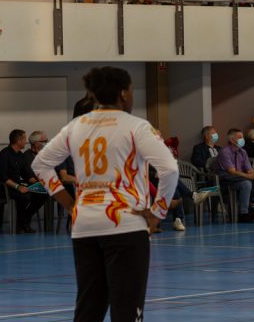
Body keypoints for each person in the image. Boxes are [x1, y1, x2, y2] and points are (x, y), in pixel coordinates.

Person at [31, 65, 178, 322]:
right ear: (123, 93)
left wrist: (68, 204)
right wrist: (157, 213)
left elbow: (40, 165)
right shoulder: (137, 126)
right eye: (131, 91)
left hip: (85, 225)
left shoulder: (75, 126)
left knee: (89, 308)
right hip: (125, 223)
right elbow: (169, 169)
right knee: (127, 309)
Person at [0, 129, 47, 233]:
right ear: (18, 140)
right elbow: (2, 176)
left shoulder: (20, 155)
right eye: (24, 139)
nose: (26, 141)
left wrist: (37, 183)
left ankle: (24, 220)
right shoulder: (4, 154)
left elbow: (27, 174)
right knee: (25, 196)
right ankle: (21, 224)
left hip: (19, 186)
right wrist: (18, 187)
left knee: (43, 193)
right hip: (6, 187)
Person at [216, 128, 254, 223]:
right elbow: (232, 171)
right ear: (231, 140)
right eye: (239, 137)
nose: (242, 139)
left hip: (241, 178)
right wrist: (250, 176)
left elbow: (249, 170)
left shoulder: (243, 152)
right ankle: (244, 213)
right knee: (246, 183)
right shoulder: (224, 151)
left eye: (242, 137)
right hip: (227, 180)